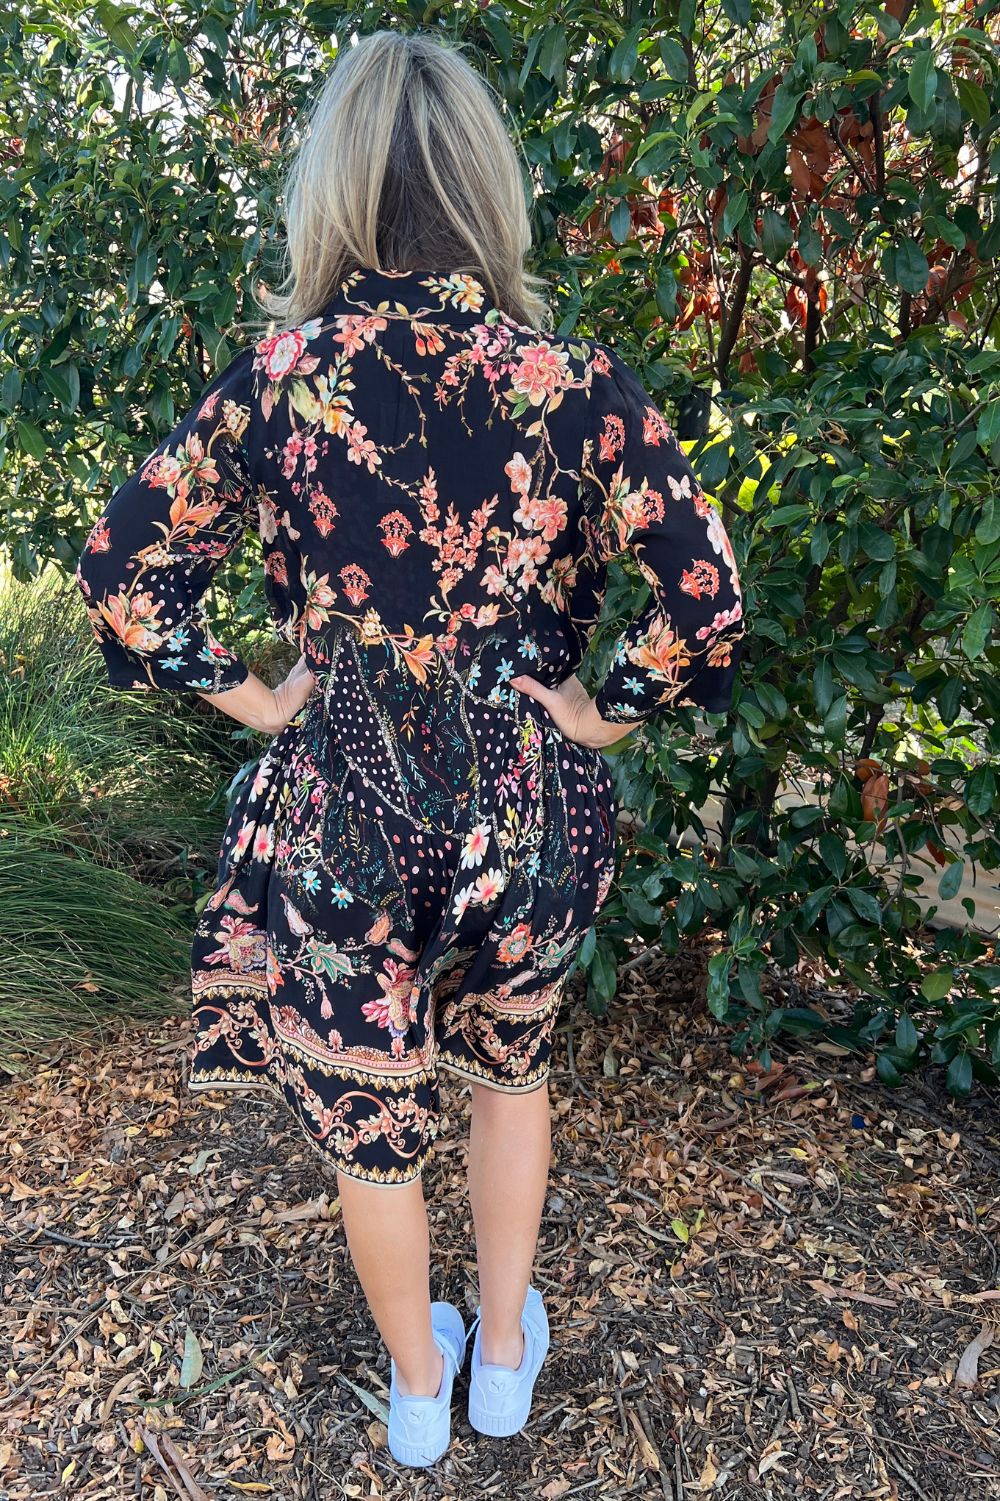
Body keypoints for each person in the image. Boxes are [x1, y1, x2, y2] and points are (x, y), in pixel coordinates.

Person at [74, 28, 744, 1470]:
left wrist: (259, 699)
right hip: (526, 811)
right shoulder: (573, 381)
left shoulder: (280, 378)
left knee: (373, 1116)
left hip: (347, 806)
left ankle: (420, 1394)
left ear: (333, 190)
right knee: (511, 1071)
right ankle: (502, 1358)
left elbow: (123, 574)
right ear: (486, 188)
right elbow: (707, 599)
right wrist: (602, 707)